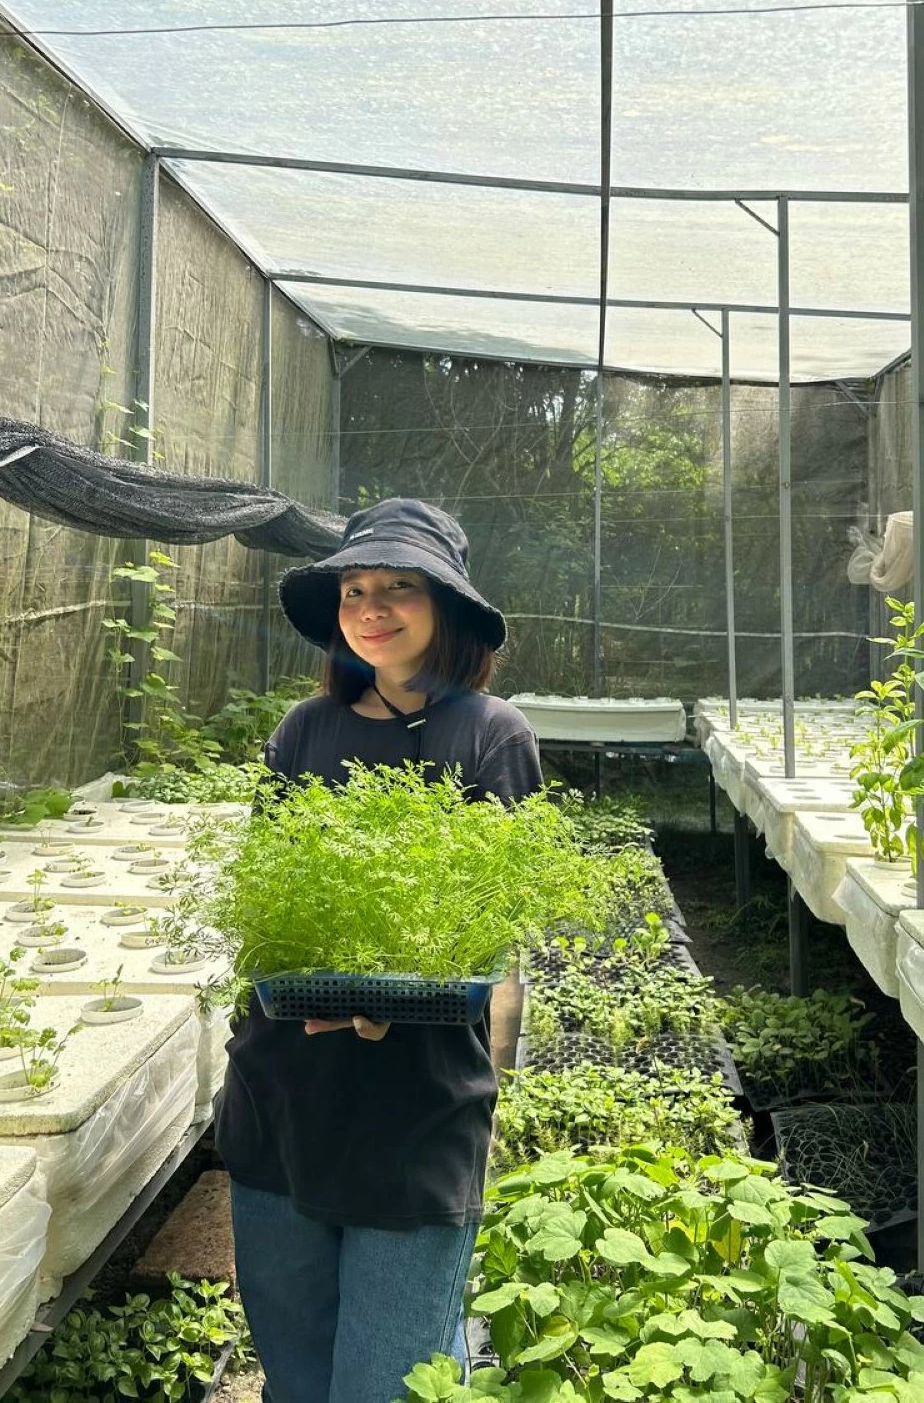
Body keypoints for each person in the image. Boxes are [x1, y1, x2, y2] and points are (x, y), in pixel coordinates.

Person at [214, 497, 542, 1403]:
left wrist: (399, 990)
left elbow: (492, 922)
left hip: (415, 1106)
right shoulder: (304, 731)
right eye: (356, 588)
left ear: (450, 611)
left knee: (387, 1383)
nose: (372, 606)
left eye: (401, 588)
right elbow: (265, 902)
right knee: (295, 1372)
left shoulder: (491, 733)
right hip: (284, 1094)